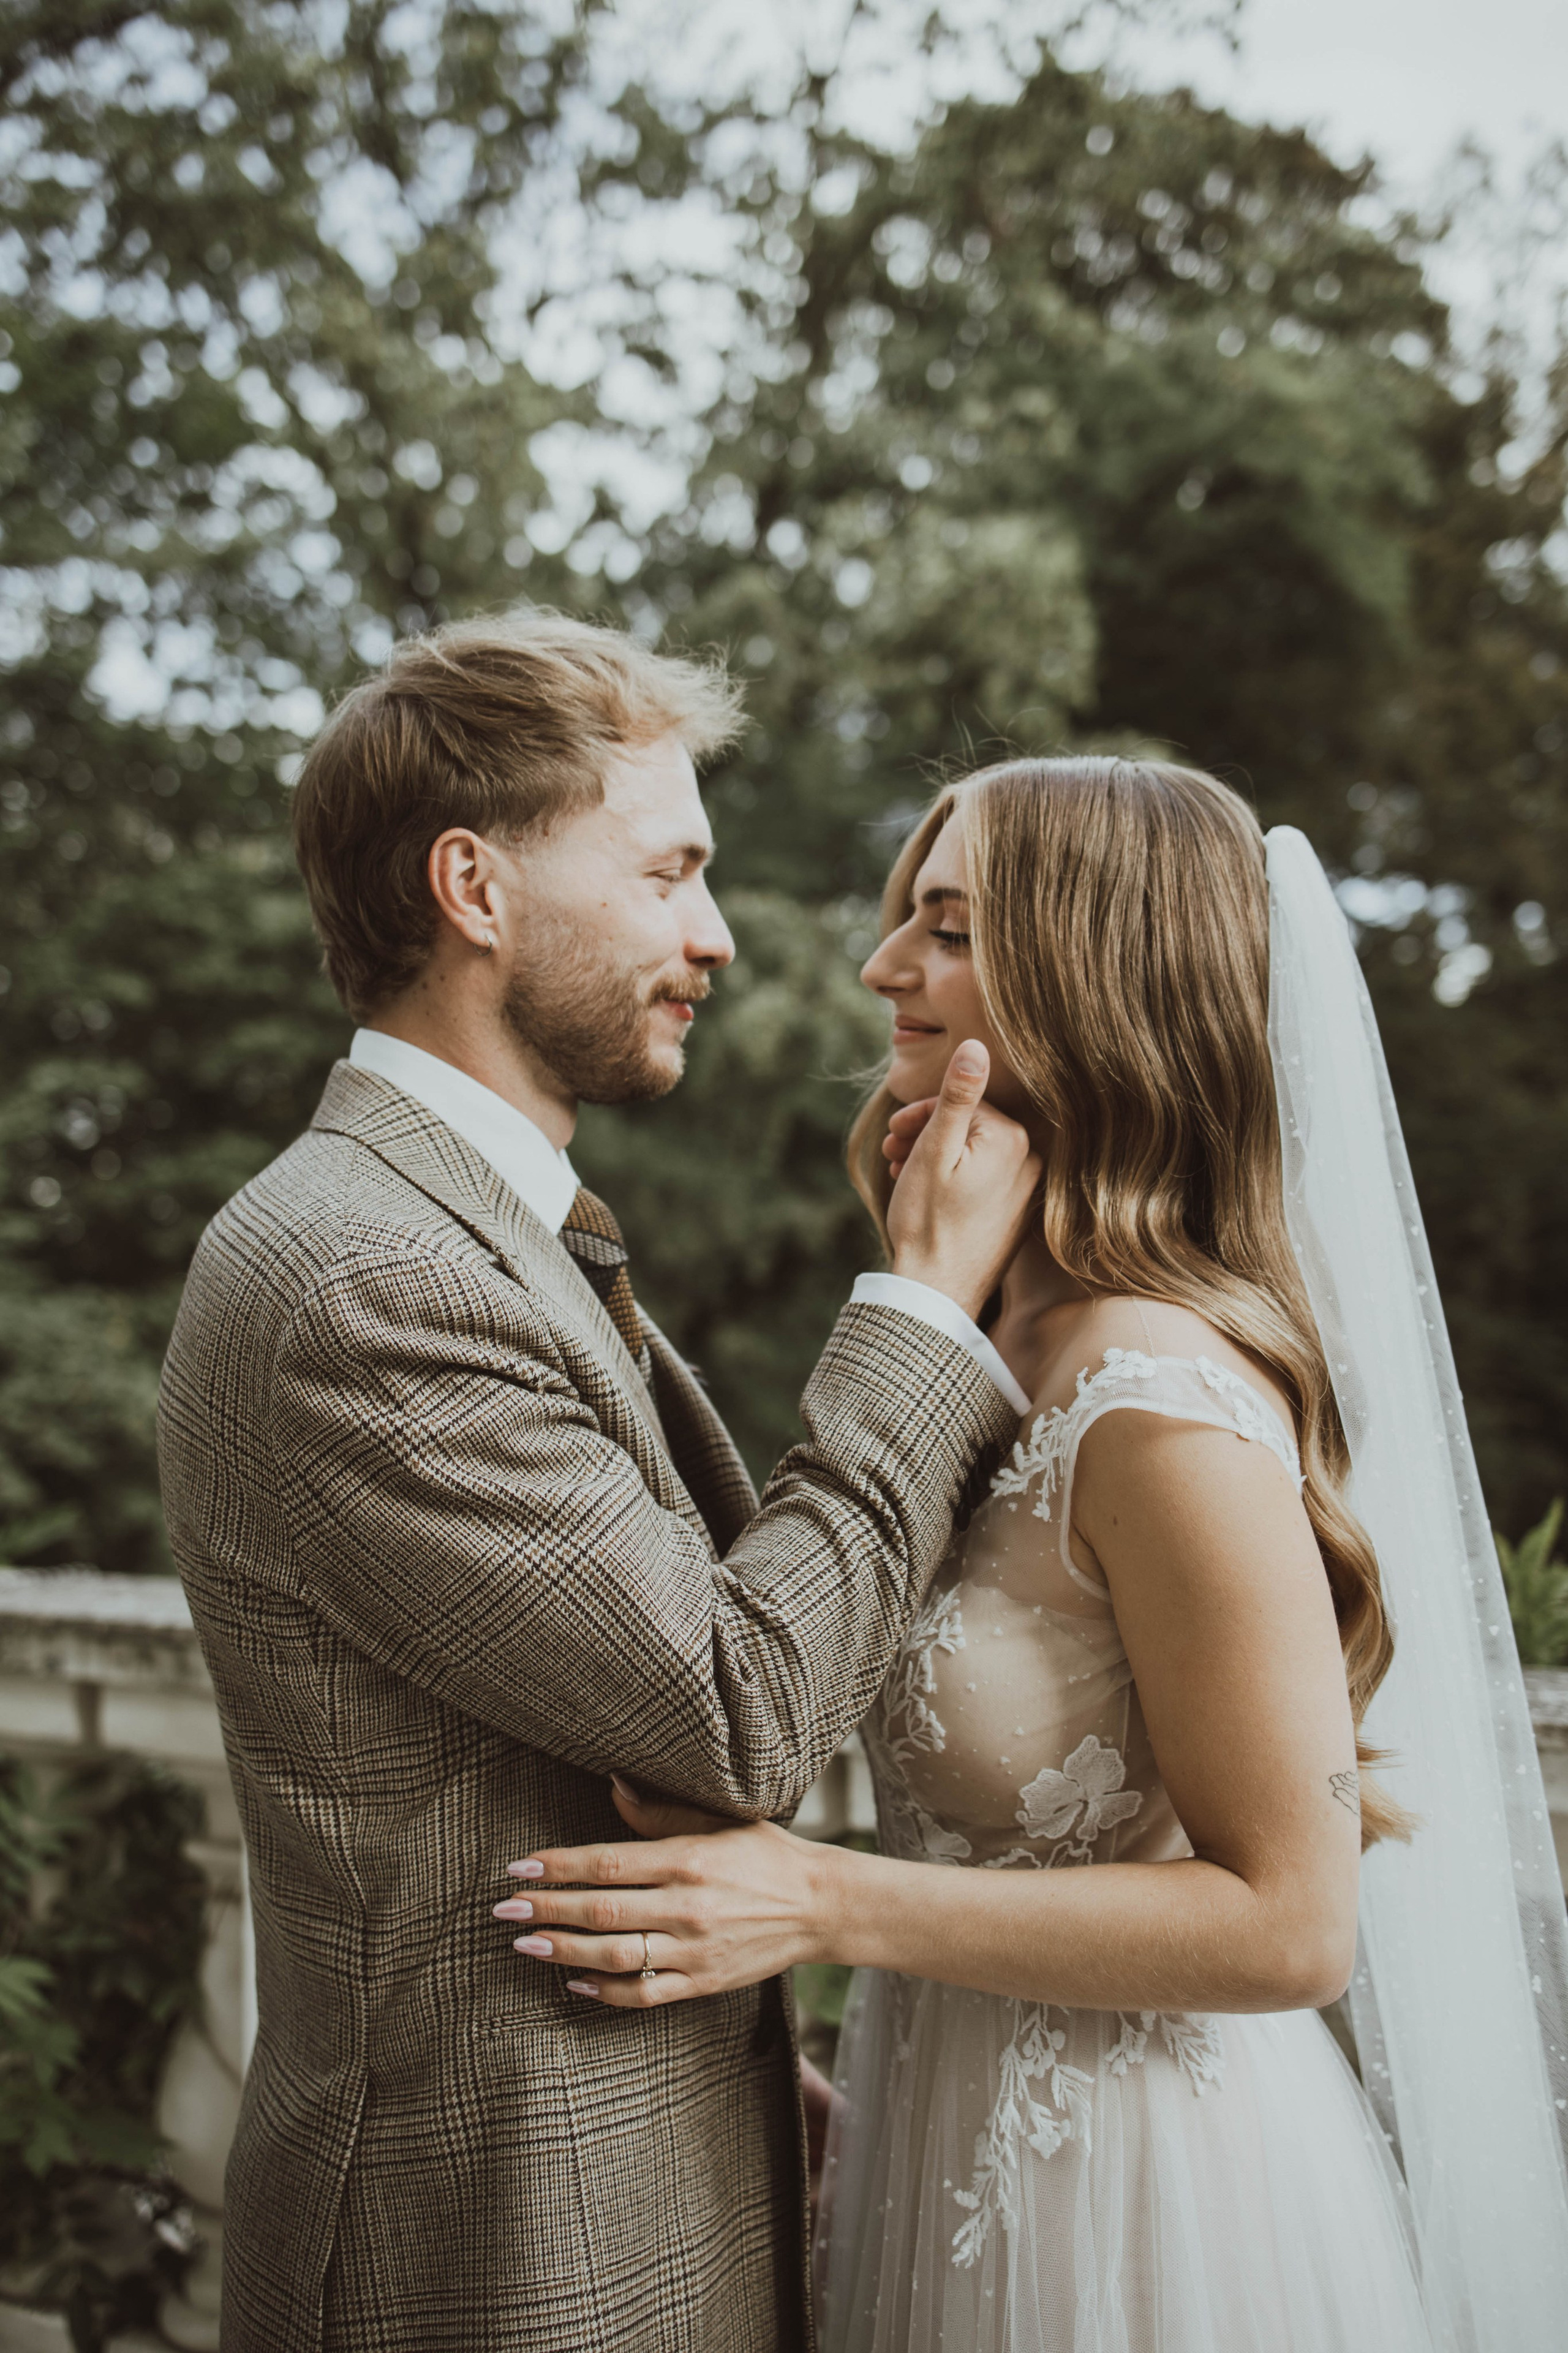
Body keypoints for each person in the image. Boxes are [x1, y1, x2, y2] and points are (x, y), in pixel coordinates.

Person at [503, 757, 1568, 2353]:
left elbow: (1294, 1922)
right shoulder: (987, 1331)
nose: (882, 970)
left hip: (1149, 2217)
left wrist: (814, 1900)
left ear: (1093, 970)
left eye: (942, 926)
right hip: (934, 2142)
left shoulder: (1163, 1396)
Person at [155, 609, 1043, 2353]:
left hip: (614, 2202)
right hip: (485, 2269)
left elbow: (531, 1768)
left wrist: (735, 2079)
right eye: (668, 872)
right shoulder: (358, 1274)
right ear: (475, 889)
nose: (712, 934)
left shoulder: (482, 1234)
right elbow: (738, 1702)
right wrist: (929, 1312)